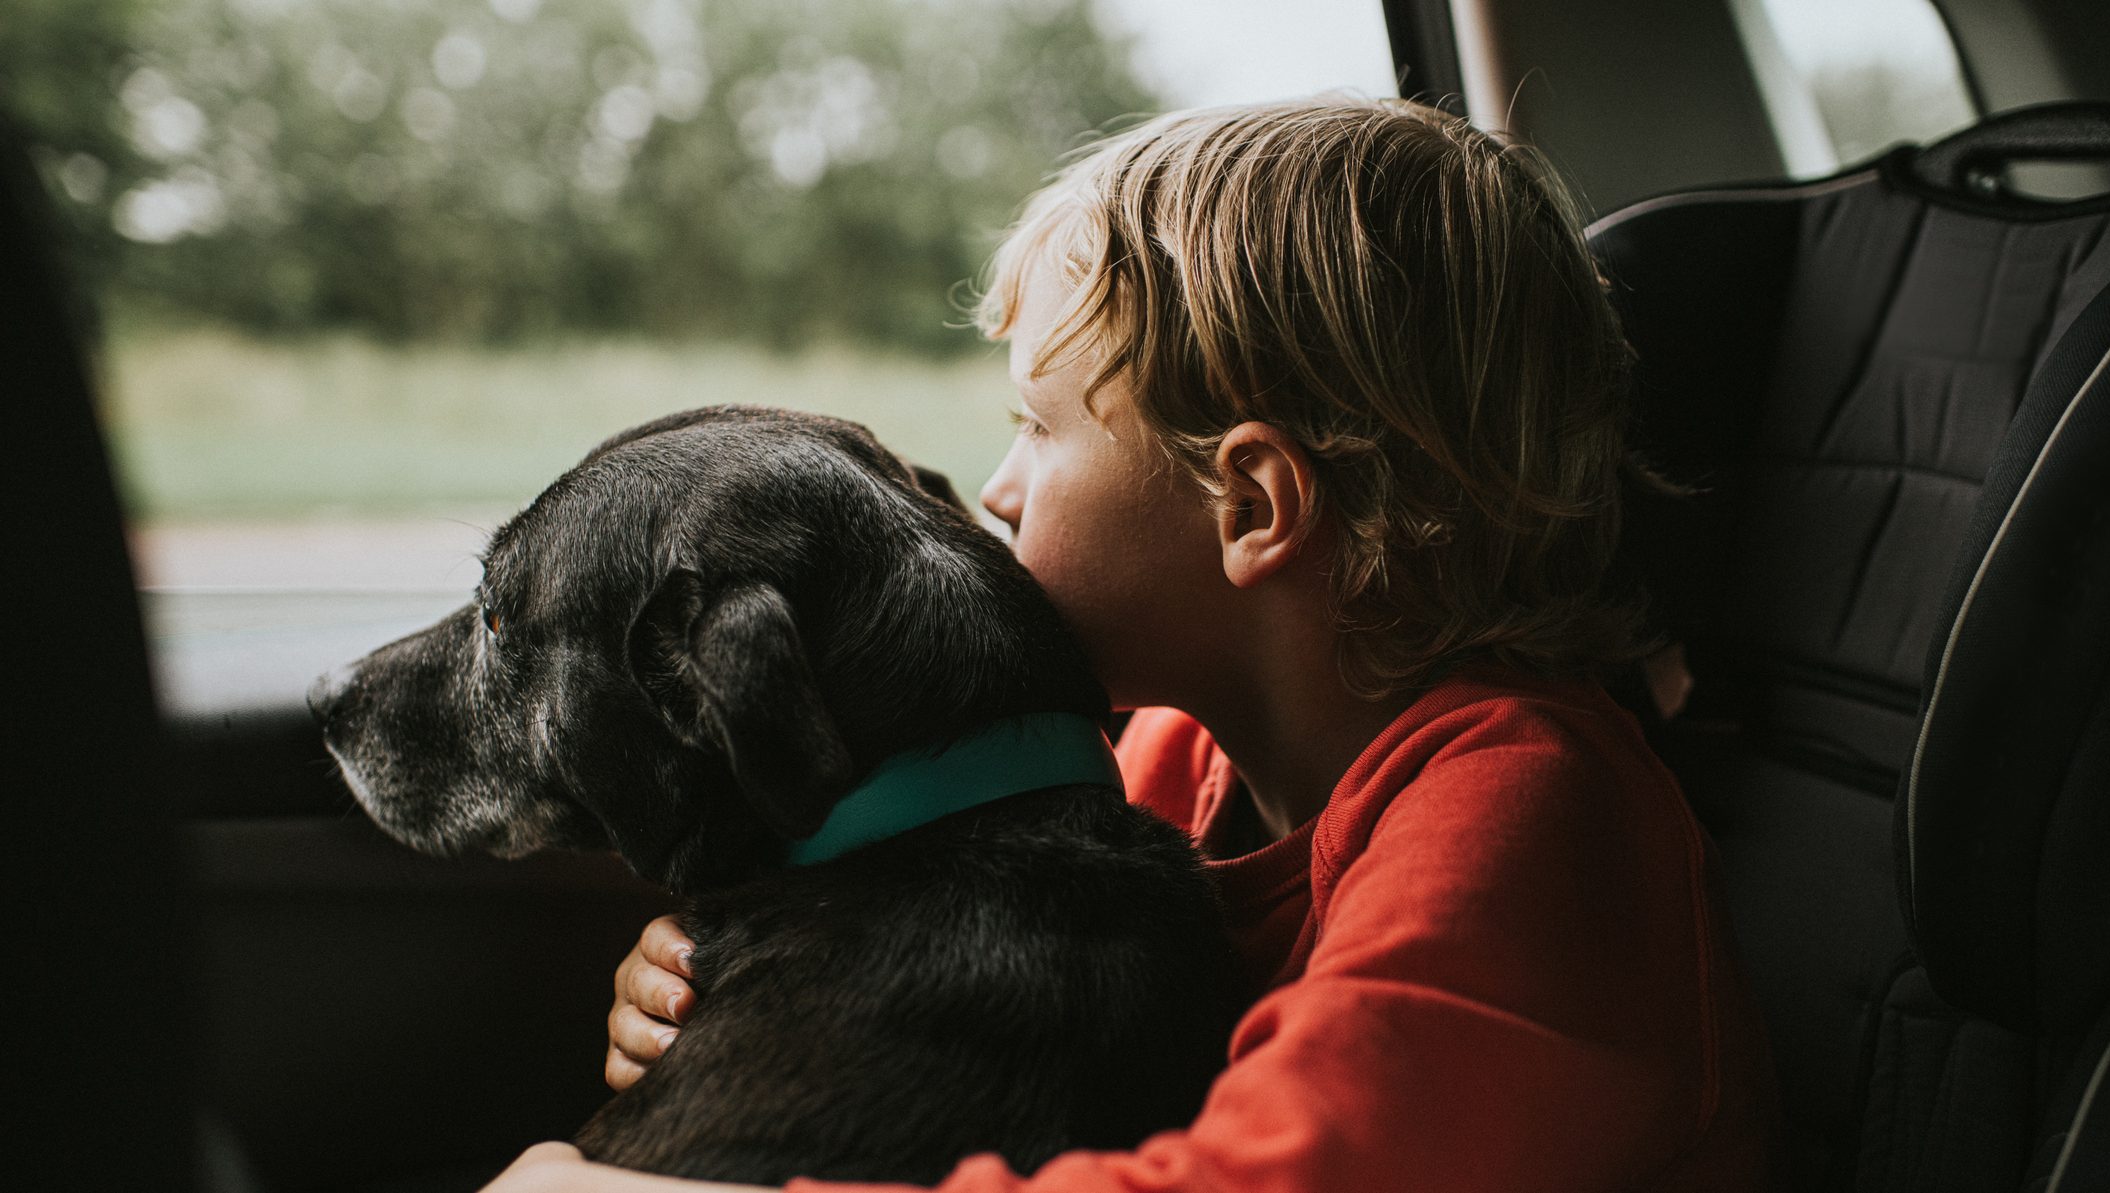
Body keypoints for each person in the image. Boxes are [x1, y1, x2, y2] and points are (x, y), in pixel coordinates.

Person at [481, 96, 1782, 1193]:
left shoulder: (1524, 802)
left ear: (1252, 505)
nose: (993, 490)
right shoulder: (1167, 754)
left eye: (1039, 429)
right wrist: (754, 981)